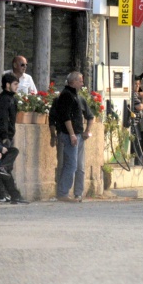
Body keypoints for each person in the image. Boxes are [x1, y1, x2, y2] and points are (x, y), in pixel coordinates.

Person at [53, 72, 94, 203]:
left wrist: (87, 131)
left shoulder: (78, 97)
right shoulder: (66, 95)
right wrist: (71, 134)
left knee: (80, 165)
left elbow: (90, 116)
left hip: (79, 134)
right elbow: (66, 117)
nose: (82, 83)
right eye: (80, 81)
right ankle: (63, 193)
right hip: (70, 134)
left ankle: (78, 193)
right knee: (71, 164)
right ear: (73, 82)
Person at [0, 73, 29, 204]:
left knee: (4, 168)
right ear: (7, 85)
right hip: (3, 137)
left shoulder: (10, 99)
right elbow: (2, 119)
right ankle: (13, 195)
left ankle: (4, 194)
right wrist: (4, 137)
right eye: (15, 84)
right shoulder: (4, 99)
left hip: (7, 136)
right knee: (4, 167)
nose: (17, 86)